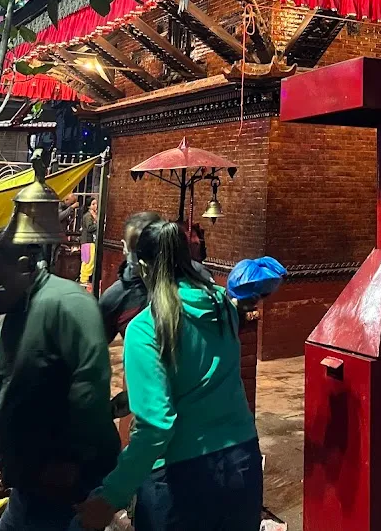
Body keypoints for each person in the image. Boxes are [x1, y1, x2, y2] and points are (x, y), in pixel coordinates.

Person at [77, 221, 261, 531]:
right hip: (241, 459)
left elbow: (155, 427)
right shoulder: (222, 307)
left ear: (145, 267)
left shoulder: (145, 329)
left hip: (180, 478)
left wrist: (111, 496)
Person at [0, 230, 119, 531]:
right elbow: (1, 385)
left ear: (22, 265)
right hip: (29, 487)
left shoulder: (67, 304)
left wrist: (73, 464)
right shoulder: (11, 314)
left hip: (67, 487)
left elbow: (90, 391)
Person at [99, 212, 212, 344]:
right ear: (125, 247)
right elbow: (98, 347)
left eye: (152, 249)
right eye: (137, 249)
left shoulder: (196, 277)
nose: (145, 258)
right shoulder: (114, 298)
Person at [79, 198, 98, 287]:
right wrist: (98, 224)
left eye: (96, 204)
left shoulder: (93, 215)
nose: (95, 206)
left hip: (89, 241)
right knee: (88, 260)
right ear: (89, 206)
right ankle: (84, 279)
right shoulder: (88, 216)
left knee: (89, 260)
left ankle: (84, 279)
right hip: (87, 240)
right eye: (93, 204)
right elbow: (90, 228)